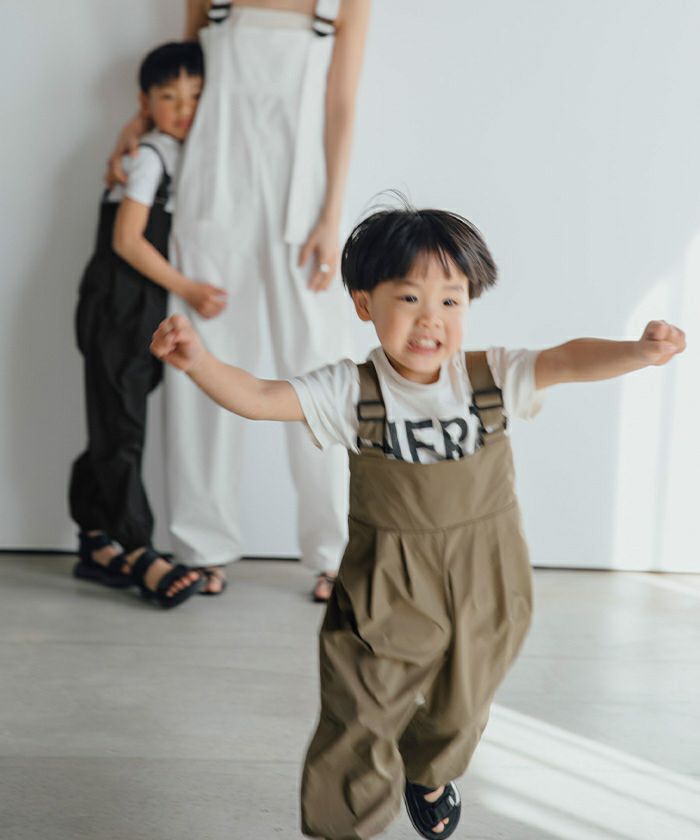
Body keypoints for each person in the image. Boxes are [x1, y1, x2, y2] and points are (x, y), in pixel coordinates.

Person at [151, 201, 686, 837]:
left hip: (487, 569)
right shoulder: (351, 390)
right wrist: (200, 362)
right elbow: (263, 398)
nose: (431, 319)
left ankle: (429, 769)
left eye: (450, 301)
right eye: (408, 298)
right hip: (387, 580)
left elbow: (567, 359)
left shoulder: (489, 376)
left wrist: (639, 352)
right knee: (360, 709)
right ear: (364, 303)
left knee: (465, 701)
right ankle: (340, 826)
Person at [108, 0, 371, 599]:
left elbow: (341, 105)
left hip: (301, 201)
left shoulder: (344, 4)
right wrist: (138, 123)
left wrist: (332, 216)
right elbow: (187, 70)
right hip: (212, 192)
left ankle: (335, 552)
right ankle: (203, 547)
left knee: (321, 369)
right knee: (201, 363)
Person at [69, 41, 228, 609]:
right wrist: (189, 288)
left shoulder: (176, 151)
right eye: (169, 97)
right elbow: (126, 239)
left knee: (115, 422)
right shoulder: (150, 156)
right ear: (145, 103)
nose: (184, 109)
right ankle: (139, 550)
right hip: (119, 302)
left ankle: (96, 542)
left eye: (195, 96)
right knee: (123, 428)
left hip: (139, 305)